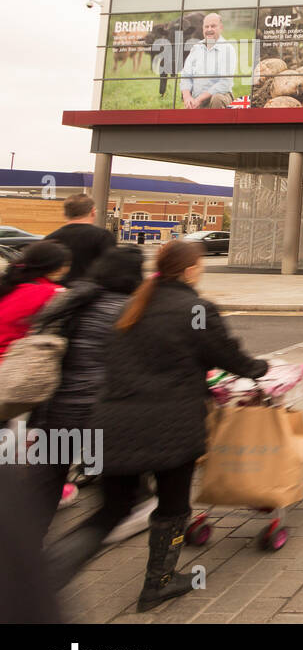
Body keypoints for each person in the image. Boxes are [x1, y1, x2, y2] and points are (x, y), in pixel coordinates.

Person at [44, 239, 269, 612]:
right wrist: (258, 368)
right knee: (172, 507)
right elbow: (227, 355)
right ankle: (159, 582)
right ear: (191, 270)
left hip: (111, 423)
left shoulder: (132, 305)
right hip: (169, 425)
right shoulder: (195, 308)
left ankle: (39, 580)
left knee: (109, 512)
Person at [26, 247, 144, 533]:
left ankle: (20, 560)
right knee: (116, 504)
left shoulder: (72, 299)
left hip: (55, 411)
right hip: (100, 414)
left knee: (42, 495)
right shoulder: (127, 309)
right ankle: (60, 564)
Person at [0, 241, 70, 360]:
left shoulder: (10, 287)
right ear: (57, 268)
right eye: (66, 264)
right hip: (13, 362)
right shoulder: (54, 293)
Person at [44, 193, 117, 285]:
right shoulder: (104, 236)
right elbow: (112, 269)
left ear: (64, 214)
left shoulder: (51, 238)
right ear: (93, 212)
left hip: (58, 294)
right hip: (91, 293)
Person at [179, 12, 237, 109]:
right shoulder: (196, 48)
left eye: (213, 26)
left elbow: (225, 83)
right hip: (197, 99)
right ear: (202, 29)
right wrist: (187, 97)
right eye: (206, 27)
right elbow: (186, 76)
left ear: (221, 27)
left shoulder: (227, 49)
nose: (209, 29)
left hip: (219, 96)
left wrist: (199, 99)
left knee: (217, 98)